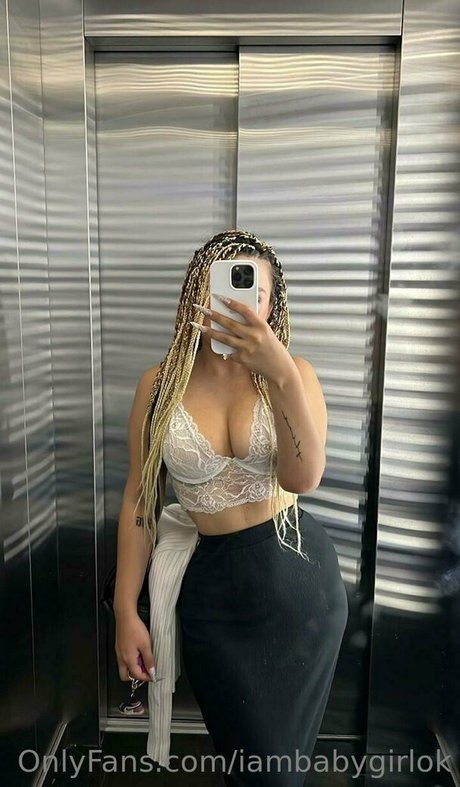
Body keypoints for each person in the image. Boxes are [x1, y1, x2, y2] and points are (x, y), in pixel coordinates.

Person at [114, 229, 349, 785]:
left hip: (300, 590)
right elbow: (141, 498)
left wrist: (280, 372)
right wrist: (126, 610)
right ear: (195, 294)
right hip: (213, 595)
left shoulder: (295, 375)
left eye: (254, 293)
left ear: (271, 304)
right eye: (220, 287)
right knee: (246, 763)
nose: (237, 304)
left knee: (278, 772)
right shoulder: (158, 386)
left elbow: (303, 477)